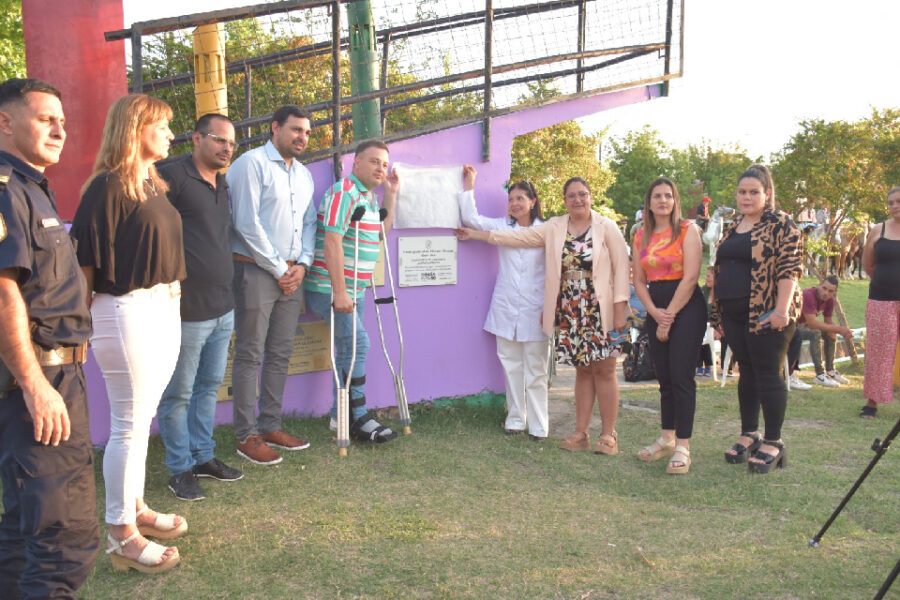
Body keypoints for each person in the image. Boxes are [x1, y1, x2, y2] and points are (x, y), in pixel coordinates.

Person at [71, 94, 186, 573]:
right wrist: (76, 325)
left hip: (161, 306)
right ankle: (121, 535)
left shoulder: (151, 182)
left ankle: (134, 508)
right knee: (128, 423)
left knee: (142, 419)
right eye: (162, 126)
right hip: (125, 310)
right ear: (137, 127)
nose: (170, 135)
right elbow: (85, 263)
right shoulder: (108, 186)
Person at [0, 77, 99, 598]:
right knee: (63, 538)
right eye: (45, 119)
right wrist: (37, 386)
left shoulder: (31, 185)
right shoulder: (5, 189)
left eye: (62, 120)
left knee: (24, 530)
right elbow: (2, 294)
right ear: (5, 121)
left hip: (58, 374)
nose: (60, 129)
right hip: (38, 382)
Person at [456, 177, 630, 455]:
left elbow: (623, 266)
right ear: (564, 200)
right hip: (571, 309)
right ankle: (577, 432)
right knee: (582, 370)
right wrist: (474, 229)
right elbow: (514, 237)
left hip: (599, 307)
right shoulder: (555, 227)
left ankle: (604, 434)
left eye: (582, 194)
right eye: (571, 196)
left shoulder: (604, 226)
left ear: (590, 196)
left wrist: (621, 306)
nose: (577, 200)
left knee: (603, 370)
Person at [156, 114, 244, 501]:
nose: (227, 148)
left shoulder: (221, 182)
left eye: (232, 143)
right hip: (186, 310)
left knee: (208, 387)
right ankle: (180, 469)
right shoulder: (170, 175)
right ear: (195, 138)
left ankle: (203, 457)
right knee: (178, 393)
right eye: (219, 139)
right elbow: (150, 229)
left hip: (223, 307)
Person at [226, 105, 317, 464]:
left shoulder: (305, 175)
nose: (302, 138)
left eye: (307, 133)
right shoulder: (250, 165)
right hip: (255, 272)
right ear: (274, 127)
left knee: (280, 353)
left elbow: (310, 223)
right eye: (295, 130)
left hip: (293, 276)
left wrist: (304, 265)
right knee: (250, 353)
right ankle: (246, 435)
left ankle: (270, 425)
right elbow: (246, 224)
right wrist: (280, 268)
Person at [304, 139, 400, 443]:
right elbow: (331, 240)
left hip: (353, 290)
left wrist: (392, 195)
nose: (380, 168)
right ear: (355, 163)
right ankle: (355, 415)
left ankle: (340, 416)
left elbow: (381, 233)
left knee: (349, 348)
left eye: (384, 164)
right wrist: (340, 291)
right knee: (358, 345)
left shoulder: (369, 198)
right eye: (374, 162)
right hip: (330, 289)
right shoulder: (343, 193)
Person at [711, 164, 802, 474]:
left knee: (769, 373)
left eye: (754, 192)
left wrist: (781, 310)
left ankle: (774, 442)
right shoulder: (734, 225)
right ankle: (750, 433)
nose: (746, 197)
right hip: (734, 315)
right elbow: (722, 267)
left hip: (767, 313)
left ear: (767, 194)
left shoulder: (780, 223)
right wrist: (718, 312)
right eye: (742, 192)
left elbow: (789, 268)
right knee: (746, 372)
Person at [455, 165, 548, 440]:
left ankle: (539, 425)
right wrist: (469, 184)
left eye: (520, 198)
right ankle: (516, 419)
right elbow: (471, 218)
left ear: (533, 201)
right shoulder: (501, 226)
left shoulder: (547, 230)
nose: (515, 204)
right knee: (510, 364)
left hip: (536, 307)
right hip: (506, 305)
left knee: (536, 369)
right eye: (511, 200)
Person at [632, 177, 706, 475]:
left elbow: (690, 277)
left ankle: (683, 446)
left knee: (681, 376)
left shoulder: (688, 230)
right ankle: (666, 438)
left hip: (685, 305)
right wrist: (654, 312)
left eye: (668, 196)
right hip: (656, 303)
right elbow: (637, 279)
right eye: (657, 196)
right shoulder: (639, 235)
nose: (663, 201)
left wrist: (669, 316)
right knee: (663, 376)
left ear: (675, 201)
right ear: (649, 202)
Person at [859, 186, 900, 418]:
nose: (894, 206)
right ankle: (872, 402)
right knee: (878, 351)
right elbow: (868, 265)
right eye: (890, 202)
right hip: (881, 299)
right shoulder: (878, 230)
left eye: (898, 201)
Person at [787, 276, 854, 389]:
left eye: (830, 291)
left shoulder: (830, 301)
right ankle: (819, 375)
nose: (826, 293)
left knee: (830, 333)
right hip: (791, 326)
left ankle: (830, 370)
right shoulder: (808, 295)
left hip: (803, 326)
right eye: (824, 288)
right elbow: (812, 323)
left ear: (834, 292)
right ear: (819, 285)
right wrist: (839, 329)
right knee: (816, 333)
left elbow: (828, 321)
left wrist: (844, 331)